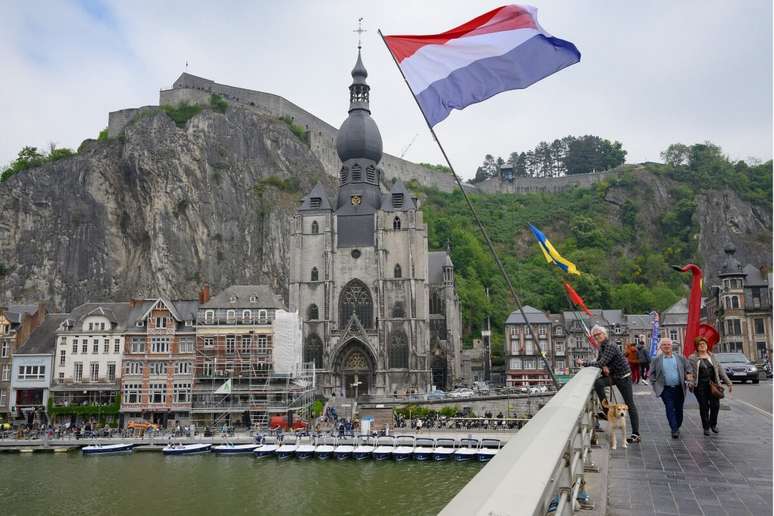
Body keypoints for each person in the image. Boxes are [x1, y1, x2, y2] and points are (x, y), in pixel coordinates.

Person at [577, 324, 640, 444]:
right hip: (614, 376)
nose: (596, 337)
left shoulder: (610, 346)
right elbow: (601, 362)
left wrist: (584, 362)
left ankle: (636, 434)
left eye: (598, 334)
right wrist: (604, 365)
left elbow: (601, 362)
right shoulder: (602, 347)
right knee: (598, 383)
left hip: (623, 377)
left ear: (604, 334)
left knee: (629, 404)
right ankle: (606, 410)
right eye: (595, 336)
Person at [649, 338, 694, 439]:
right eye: (664, 345)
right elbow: (651, 373)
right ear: (661, 347)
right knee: (669, 408)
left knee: (679, 409)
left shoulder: (680, 358)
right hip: (665, 389)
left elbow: (689, 370)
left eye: (668, 344)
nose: (666, 346)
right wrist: (654, 384)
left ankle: (677, 425)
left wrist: (690, 380)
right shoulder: (656, 360)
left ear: (671, 346)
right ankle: (674, 429)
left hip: (679, 388)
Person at [688, 336, 732, 436]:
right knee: (704, 407)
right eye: (700, 344)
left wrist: (728, 382)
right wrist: (690, 382)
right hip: (699, 386)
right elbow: (689, 372)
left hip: (714, 386)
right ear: (697, 347)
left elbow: (721, 371)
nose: (702, 346)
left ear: (707, 345)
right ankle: (706, 427)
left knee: (715, 406)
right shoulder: (692, 358)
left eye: (704, 344)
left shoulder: (713, 356)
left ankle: (713, 424)